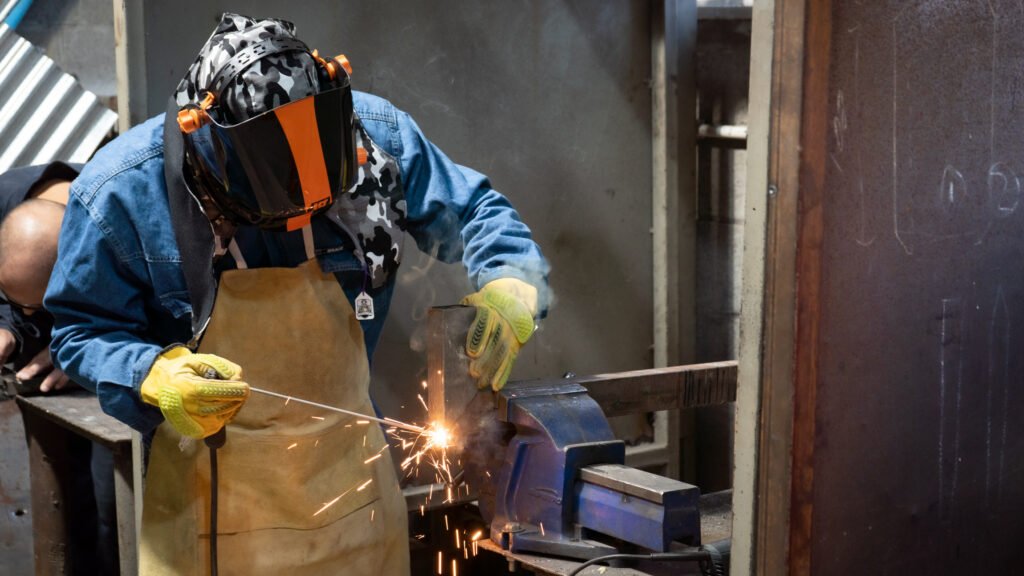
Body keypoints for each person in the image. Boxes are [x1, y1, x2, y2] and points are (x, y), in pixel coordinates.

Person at [45, 13, 549, 575]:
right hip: (208, 508)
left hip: (351, 492)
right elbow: (80, 331)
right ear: (208, 146)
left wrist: (511, 281)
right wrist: (149, 373)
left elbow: (476, 210)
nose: (301, 220)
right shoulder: (120, 192)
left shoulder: (375, 136)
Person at [0, 163, 119, 575]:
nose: (29, 313)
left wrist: (84, 342)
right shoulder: (5, 204)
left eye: (37, 305)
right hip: (40, 373)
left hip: (108, 366)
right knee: (62, 494)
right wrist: (8, 327)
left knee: (109, 504)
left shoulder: (117, 221)